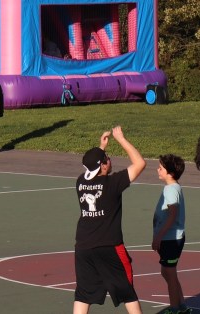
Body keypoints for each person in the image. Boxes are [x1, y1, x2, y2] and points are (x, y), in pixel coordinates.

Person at [73, 126, 146, 314]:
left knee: (83, 294)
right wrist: (121, 139)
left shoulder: (81, 182)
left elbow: (93, 166)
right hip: (109, 247)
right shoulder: (112, 183)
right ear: (103, 165)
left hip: (83, 247)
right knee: (127, 292)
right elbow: (139, 163)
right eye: (107, 159)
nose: (110, 160)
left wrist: (101, 148)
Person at [152, 155, 191, 314]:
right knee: (168, 272)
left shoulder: (170, 189)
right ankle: (182, 306)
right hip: (171, 238)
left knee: (169, 273)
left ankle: (175, 309)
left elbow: (172, 214)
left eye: (161, 168)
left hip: (170, 239)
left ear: (171, 173)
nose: (158, 170)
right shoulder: (174, 187)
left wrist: (159, 236)